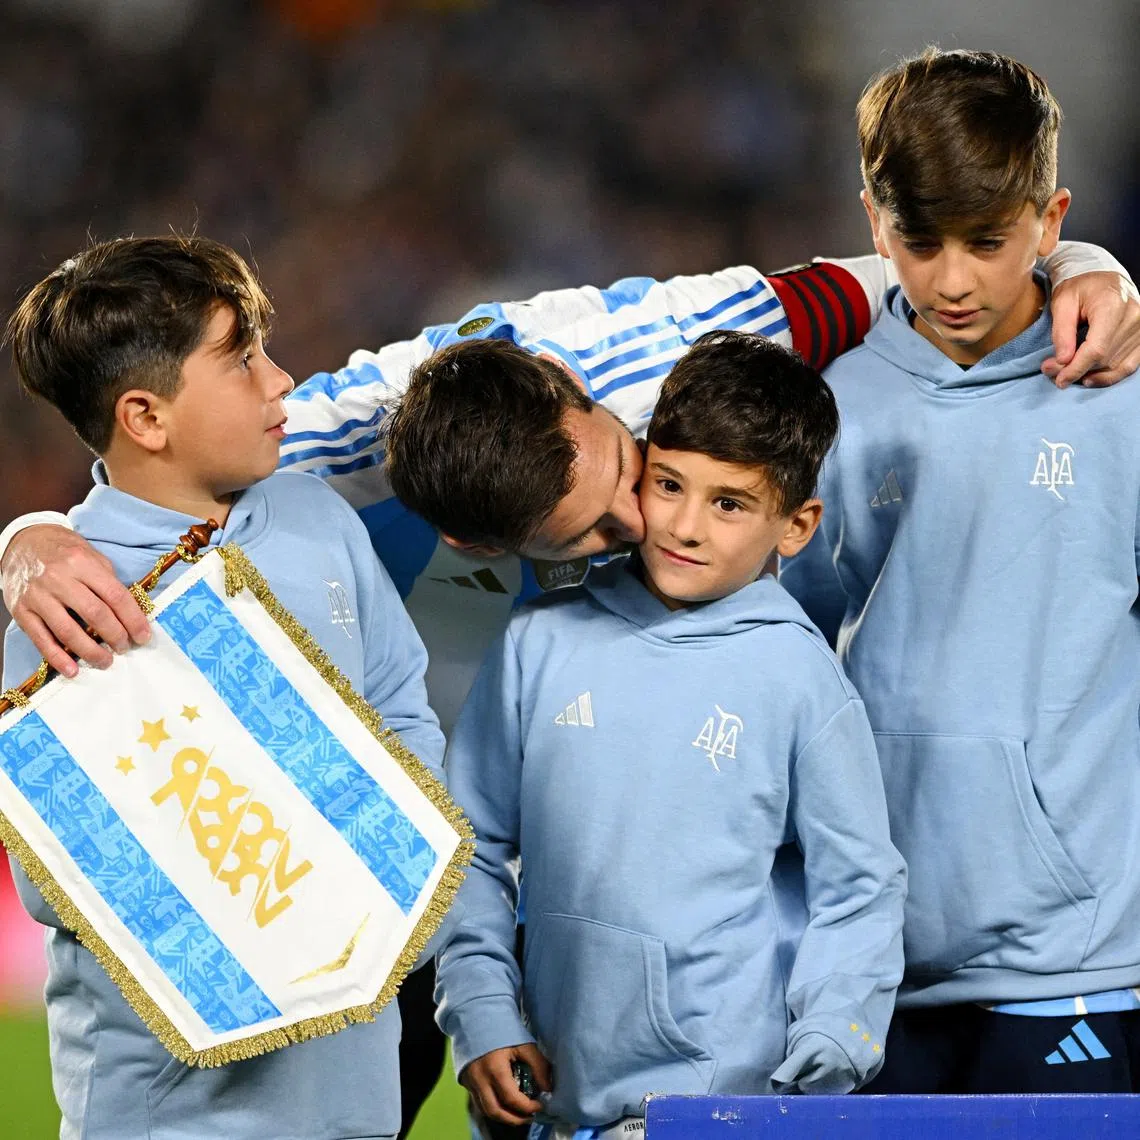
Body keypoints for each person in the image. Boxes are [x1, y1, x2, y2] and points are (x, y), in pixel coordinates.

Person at [2, 243, 1139, 1137]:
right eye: (591, 532)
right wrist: (30, 540)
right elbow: (148, 493)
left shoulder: (653, 348)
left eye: (622, 468)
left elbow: (924, 268)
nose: (649, 522)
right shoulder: (329, 492)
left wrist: (1089, 265)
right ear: (476, 548)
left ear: (588, 396)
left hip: (587, 969)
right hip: (374, 961)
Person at [1, 235, 447, 1139]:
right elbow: (56, 878)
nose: (282, 381)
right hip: (172, 1114)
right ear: (146, 417)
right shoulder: (65, 599)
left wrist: (396, 902)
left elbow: (402, 702)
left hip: (356, 1089)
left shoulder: (318, 514)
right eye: (241, 361)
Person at [434, 332, 907, 1138]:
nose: (685, 525)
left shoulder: (798, 677)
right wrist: (481, 1009)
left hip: (726, 1105)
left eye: (728, 503)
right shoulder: (536, 643)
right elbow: (465, 844)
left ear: (796, 526)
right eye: (669, 484)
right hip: (551, 1097)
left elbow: (858, 884)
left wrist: (831, 1044)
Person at [778, 48, 1140, 1094]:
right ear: (871, 220)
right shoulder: (833, 404)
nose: (951, 279)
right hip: (875, 959)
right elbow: (785, 647)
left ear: (1051, 218)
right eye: (916, 241)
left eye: (987, 242)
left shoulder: (1122, 399)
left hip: (1079, 958)